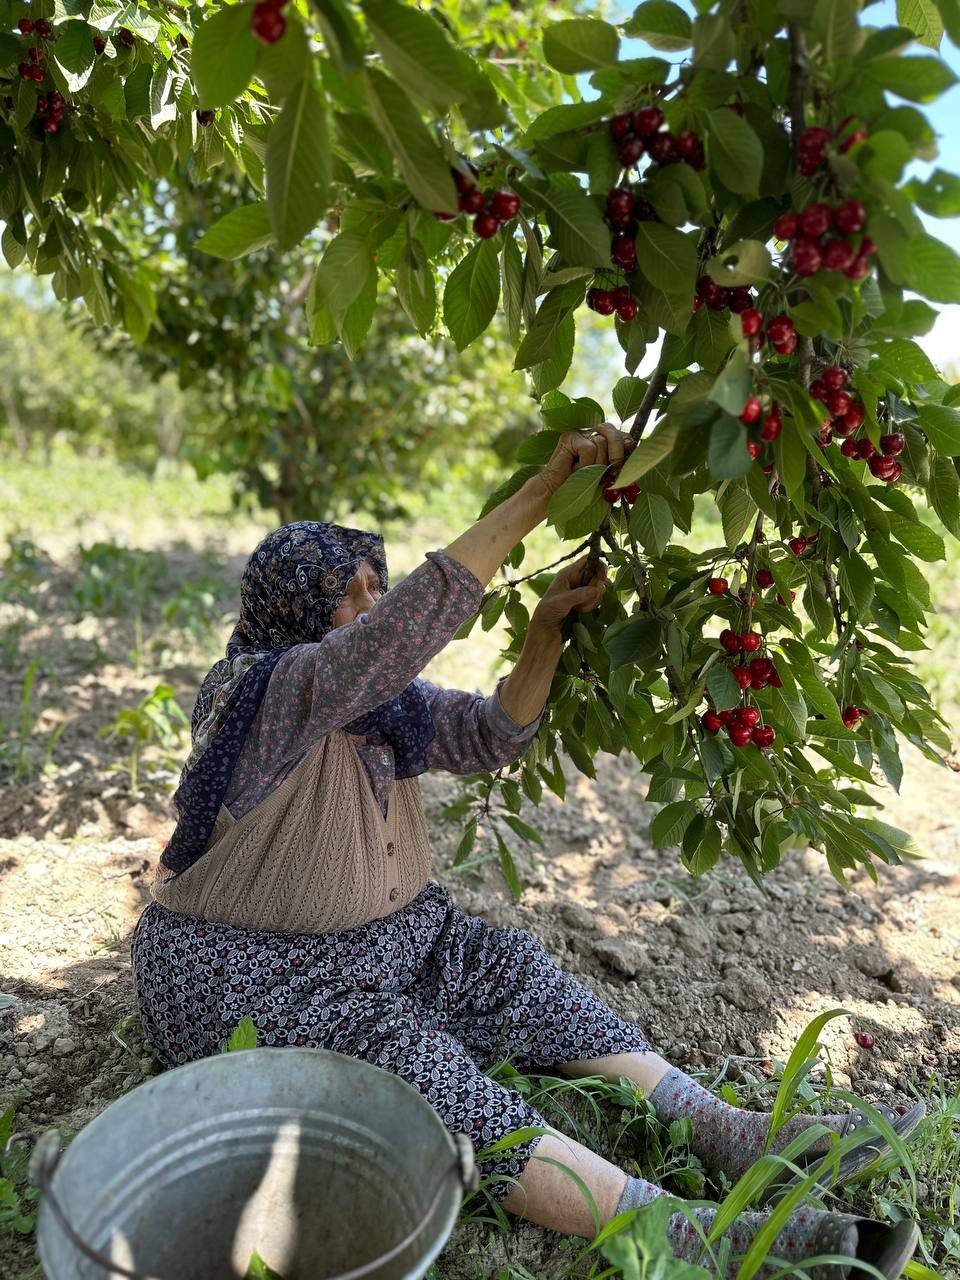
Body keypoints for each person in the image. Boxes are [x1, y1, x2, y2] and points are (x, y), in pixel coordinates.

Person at [131, 424, 924, 1279]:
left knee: (512, 969)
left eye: (374, 586)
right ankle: (684, 1232)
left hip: (387, 944)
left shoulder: (380, 709)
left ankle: (730, 1130)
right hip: (256, 976)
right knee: (412, 1067)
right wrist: (548, 488)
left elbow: (488, 733)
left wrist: (544, 634)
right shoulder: (267, 691)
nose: (369, 607)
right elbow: (399, 631)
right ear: (291, 609)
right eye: (347, 594)